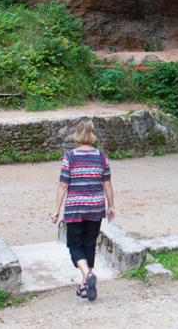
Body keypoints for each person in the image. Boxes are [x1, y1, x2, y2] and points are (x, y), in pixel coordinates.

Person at [51, 121, 115, 301]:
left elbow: (63, 185)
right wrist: (111, 206)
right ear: (92, 135)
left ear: (77, 135)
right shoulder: (101, 156)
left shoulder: (70, 156)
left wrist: (56, 209)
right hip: (95, 208)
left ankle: (87, 275)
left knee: (74, 245)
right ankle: (85, 286)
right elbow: (107, 183)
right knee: (89, 245)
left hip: (75, 208)